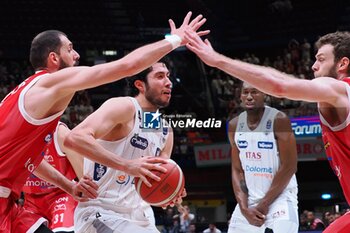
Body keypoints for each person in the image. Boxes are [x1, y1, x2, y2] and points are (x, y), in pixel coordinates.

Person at [0, 12, 208, 232]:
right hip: (101, 210)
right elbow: (126, 66)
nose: (77, 55)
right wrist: (175, 40)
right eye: (70, 49)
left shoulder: (29, 96)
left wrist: (68, 186)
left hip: (10, 202)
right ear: (54, 58)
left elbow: (29, 159)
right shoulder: (49, 84)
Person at [185, 30, 350, 233]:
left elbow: (279, 85)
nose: (313, 66)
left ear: (342, 64)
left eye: (321, 60)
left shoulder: (338, 90)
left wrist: (217, 60)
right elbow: (275, 77)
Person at [65, 61, 183, 232]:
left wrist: (171, 192)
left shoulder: (165, 129)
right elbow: (74, 138)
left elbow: (158, 177)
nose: (168, 82)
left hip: (137, 215)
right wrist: (127, 165)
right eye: (160, 76)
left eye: (168, 76)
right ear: (140, 85)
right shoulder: (124, 107)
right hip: (100, 211)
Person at [226, 82, 298, 233]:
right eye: (245, 92)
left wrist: (264, 203)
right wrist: (244, 208)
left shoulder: (279, 119)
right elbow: (237, 170)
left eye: (255, 92)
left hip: (280, 197)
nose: (249, 97)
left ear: (265, 94)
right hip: (250, 201)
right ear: (240, 96)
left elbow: (290, 166)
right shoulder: (234, 125)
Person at [22, 122, 79, 233]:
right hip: (30, 201)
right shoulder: (10, 137)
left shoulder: (61, 134)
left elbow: (83, 174)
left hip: (62, 194)